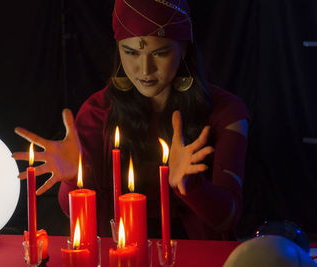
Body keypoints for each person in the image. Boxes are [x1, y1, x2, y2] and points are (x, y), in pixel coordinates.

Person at [13, 0, 249, 240]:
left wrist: (194, 186)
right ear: (118, 49)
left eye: (160, 52)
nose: (145, 69)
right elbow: (75, 215)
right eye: (131, 53)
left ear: (184, 49)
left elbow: (228, 219)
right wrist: (74, 181)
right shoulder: (98, 111)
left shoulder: (226, 112)